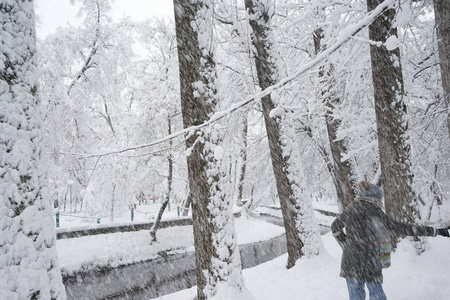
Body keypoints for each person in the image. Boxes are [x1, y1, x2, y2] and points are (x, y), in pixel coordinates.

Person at [331, 180, 450, 300]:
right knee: (377, 296)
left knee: (356, 297)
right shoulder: (375, 211)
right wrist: (435, 231)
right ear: (375, 198)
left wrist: (347, 244)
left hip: (351, 263)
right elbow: (402, 228)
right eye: (380, 199)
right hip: (370, 262)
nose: (381, 202)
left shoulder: (352, 208)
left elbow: (335, 227)